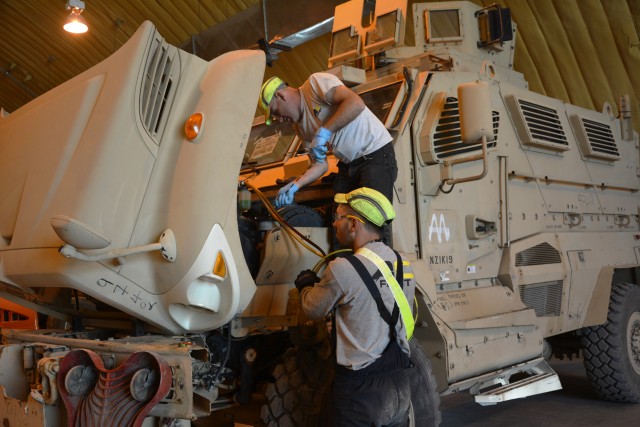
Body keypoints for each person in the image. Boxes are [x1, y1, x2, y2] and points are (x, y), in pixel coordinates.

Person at [294, 187, 416, 426]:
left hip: (361, 393)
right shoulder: (403, 263)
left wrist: (307, 285)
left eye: (337, 218)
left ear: (353, 224)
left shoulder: (343, 268)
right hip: (399, 386)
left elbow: (312, 308)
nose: (333, 225)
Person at [258, 73, 397, 209]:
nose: (280, 119)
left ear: (280, 96)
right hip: (348, 164)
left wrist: (324, 131)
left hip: (374, 154)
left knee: (373, 220)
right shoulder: (299, 127)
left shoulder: (314, 85)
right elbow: (320, 164)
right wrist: (295, 185)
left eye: (275, 112)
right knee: (340, 219)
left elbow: (355, 103)